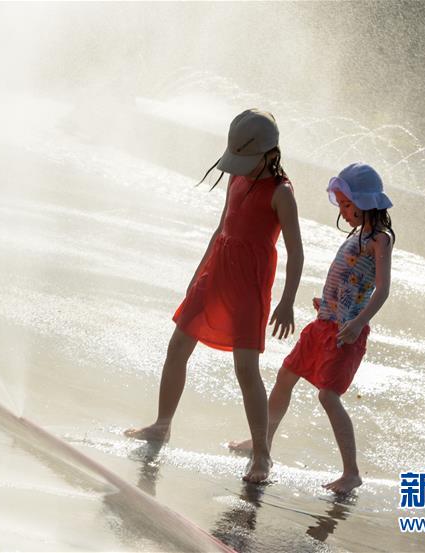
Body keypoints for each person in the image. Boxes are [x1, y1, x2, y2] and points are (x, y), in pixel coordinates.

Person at [125, 109, 304, 483]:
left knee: (246, 368)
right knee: (178, 345)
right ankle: (162, 423)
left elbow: (296, 251)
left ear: (270, 154)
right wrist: (198, 274)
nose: (241, 168)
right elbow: (221, 227)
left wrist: (287, 301)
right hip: (217, 271)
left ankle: (261, 454)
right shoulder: (237, 177)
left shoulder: (281, 193)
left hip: (250, 285)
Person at [229, 162, 395, 494]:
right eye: (343, 205)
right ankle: (262, 442)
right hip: (323, 325)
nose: (345, 212)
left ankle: (351, 472)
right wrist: (330, 303)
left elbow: (382, 289)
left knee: (328, 395)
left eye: (349, 205)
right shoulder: (357, 234)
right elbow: (350, 279)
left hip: (345, 333)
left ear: (366, 201)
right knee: (285, 376)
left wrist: (357, 322)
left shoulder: (381, 239)